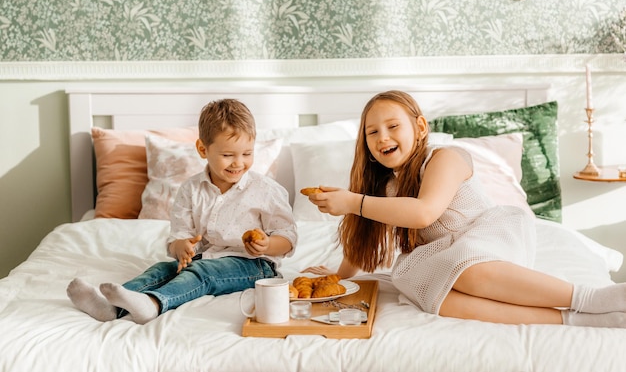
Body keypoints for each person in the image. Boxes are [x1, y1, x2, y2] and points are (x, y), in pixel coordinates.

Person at [303, 90, 626, 328]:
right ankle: (573, 321)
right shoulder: (385, 189)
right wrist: (337, 277)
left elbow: (424, 212)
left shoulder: (445, 157)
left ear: (419, 127)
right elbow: (365, 242)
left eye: (392, 126)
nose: (382, 137)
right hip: (445, 254)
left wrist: (353, 203)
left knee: (466, 265)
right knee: (435, 298)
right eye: (372, 132)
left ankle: (591, 298)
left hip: (486, 235)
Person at [67, 99, 297, 324]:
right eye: (228, 155)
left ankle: (154, 304)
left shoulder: (266, 190)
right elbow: (179, 235)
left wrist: (267, 244)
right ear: (202, 149)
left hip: (254, 265)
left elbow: (288, 237)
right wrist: (180, 247)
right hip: (204, 257)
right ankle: (111, 307)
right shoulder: (191, 189)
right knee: (162, 269)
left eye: (247, 154)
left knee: (204, 272)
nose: (238, 163)